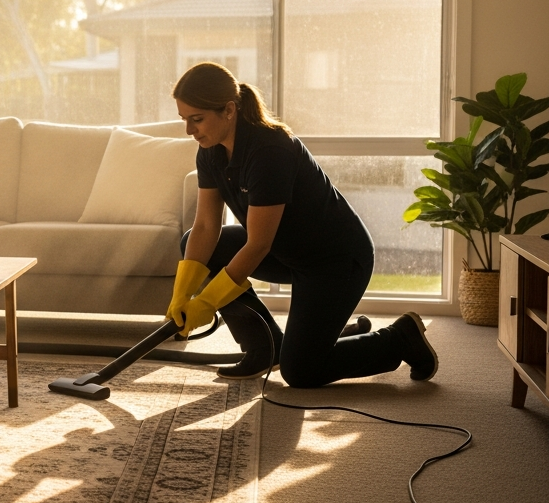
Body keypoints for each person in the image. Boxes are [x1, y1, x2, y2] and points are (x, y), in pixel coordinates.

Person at [166, 62, 439, 387]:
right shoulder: (210, 151)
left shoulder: (268, 150)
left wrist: (208, 302)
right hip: (286, 251)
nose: (189, 130)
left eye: (196, 119)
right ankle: (264, 348)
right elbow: (206, 228)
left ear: (228, 110)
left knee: (301, 371)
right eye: (185, 119)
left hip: (334, 261)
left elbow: (257, 245)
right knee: (195, 245)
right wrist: (181, 294)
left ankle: (399, 338)